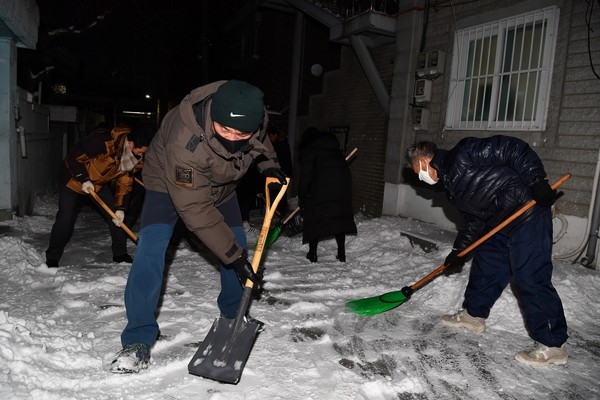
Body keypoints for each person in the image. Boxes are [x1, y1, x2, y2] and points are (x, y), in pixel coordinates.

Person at [110, 80, 287, 373]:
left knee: (236, 239)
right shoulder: (185, 139)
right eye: (225, 129)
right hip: (167, 185)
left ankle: (234, 314)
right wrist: (235, 256)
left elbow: (262, 143)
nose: (232, 138)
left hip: (222, 187)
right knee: (151, 250)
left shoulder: (257, 121)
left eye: (241, 133)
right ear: (213, 116)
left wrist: (269, 165)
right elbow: (194, 207)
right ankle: (137, 339)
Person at [407, 135, 568, 367]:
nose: (418, 177)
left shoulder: (464, 153)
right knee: (486, 265)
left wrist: (537, 182)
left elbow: (512, 149)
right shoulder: (451, 186)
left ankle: (553, 345)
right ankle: (473, 316)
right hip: (499, 223)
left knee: (529, 277)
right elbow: (474, 220)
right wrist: (459, 251)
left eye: (416, 171)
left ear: (423, 161)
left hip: (526, 213)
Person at [45, 124, 147, 268]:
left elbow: (124, 183)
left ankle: (120, 254)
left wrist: (121, 207)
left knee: (115, 217)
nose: (140, 155)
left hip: (98, 185)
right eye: (139, 151)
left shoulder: (131, 158)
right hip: (72, 180)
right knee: (65, 219)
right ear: (131, 144)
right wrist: (84, 179)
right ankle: (52, 257)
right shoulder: (103, 142)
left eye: (143, 153)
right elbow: (74, 156)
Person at [298, 127, 357, 263]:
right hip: (342, 186)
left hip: (321, 187)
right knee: (338, 217)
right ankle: (341, 254)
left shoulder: (310, 150)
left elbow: (306, 177)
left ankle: (313, 253)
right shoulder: (335, 149)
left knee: (314, 217)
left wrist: (302, 199)